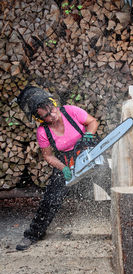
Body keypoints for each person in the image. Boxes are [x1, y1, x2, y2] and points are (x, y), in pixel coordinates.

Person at [15, 86, 110, 251]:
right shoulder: (43, 131)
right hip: (65, 160)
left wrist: (88, 135)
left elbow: (92, 121)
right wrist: (64, 168)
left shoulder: (69, 111)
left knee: (111, 182)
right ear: (40, 118)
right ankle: (32, 234)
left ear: (52, 103)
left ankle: (131, 216)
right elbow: (48, 156)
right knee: (51, 198)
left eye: (51, 109)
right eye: (46, 115)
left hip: (87, 152)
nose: (52, 115)